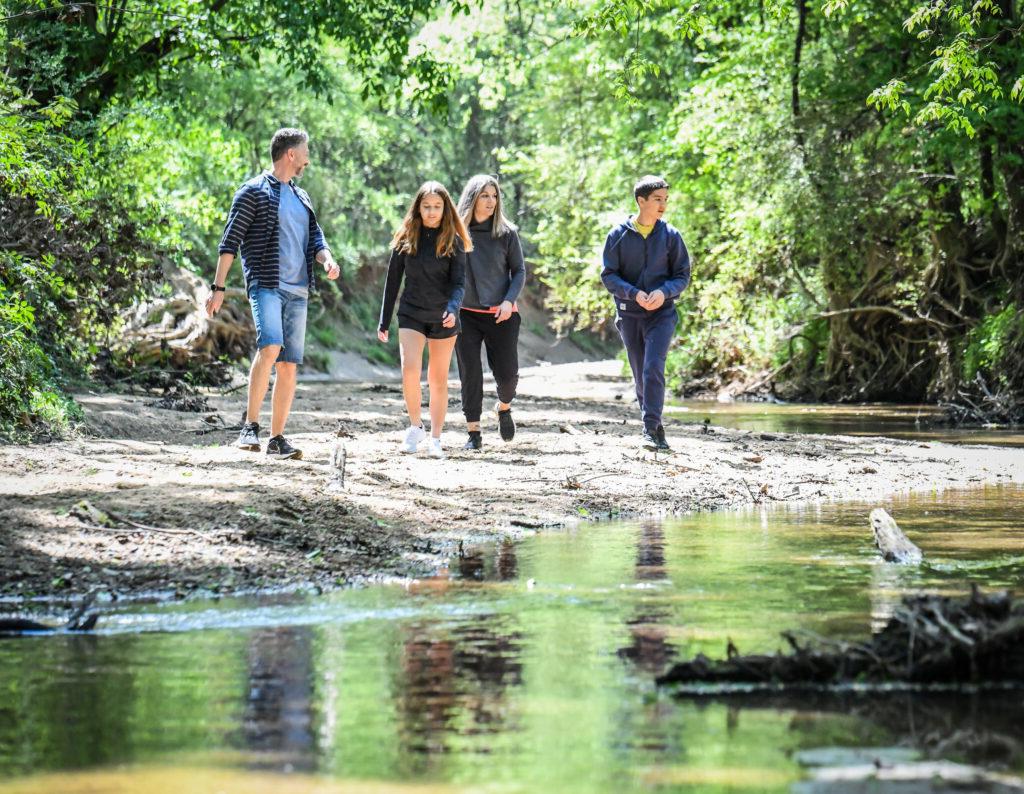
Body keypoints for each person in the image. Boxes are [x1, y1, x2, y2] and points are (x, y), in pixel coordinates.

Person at [206, 127, 340, 460]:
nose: (308, 160)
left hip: (299, 291)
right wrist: (218, 287)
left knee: (289, 365)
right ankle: (249, 427)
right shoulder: (252, 191)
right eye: (305, 152)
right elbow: (230, 242)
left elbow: (316, 241)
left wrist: (327, 260)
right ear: (290, 154)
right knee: (270, 347)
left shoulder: (302, 197)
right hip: (266, 284)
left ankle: (277, 438)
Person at [378, 181, 471, 458]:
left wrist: (453, 309)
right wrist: (383, 320)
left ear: (446, 209)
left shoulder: (454, 241)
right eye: (427, 206)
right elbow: (392, 281)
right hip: (411, 313)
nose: (431, 212)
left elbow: (459, 283)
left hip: (444, 316)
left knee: (438, 379)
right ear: (418, 207)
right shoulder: (406, 238)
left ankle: (436, 437)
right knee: (410, 371)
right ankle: (415, 426)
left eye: (437, 207)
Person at [601, 175, 691, 452]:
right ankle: (653, 424)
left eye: (665, 199)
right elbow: (609, 276)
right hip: (629, 314)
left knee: (654, 367)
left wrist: (663, 292)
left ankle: (650, 427)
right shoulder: (617, 235)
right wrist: (634, 293)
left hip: (662, 314)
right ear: (641, 201)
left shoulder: (671, 236)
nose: (663, 205)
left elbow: (682, 276)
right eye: (657, 199)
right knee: (640, 373)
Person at [454, 175, 526, 451]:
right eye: (485, 196)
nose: (491, 201)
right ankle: (473, 432)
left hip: (502, 313)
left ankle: (503, 407)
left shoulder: (507, 233)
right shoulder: (457, 233)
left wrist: (509, 301)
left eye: (494, 196)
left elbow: (519, 271)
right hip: (466, 314)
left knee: (508, 377)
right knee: (470, 373)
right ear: (472, 198)